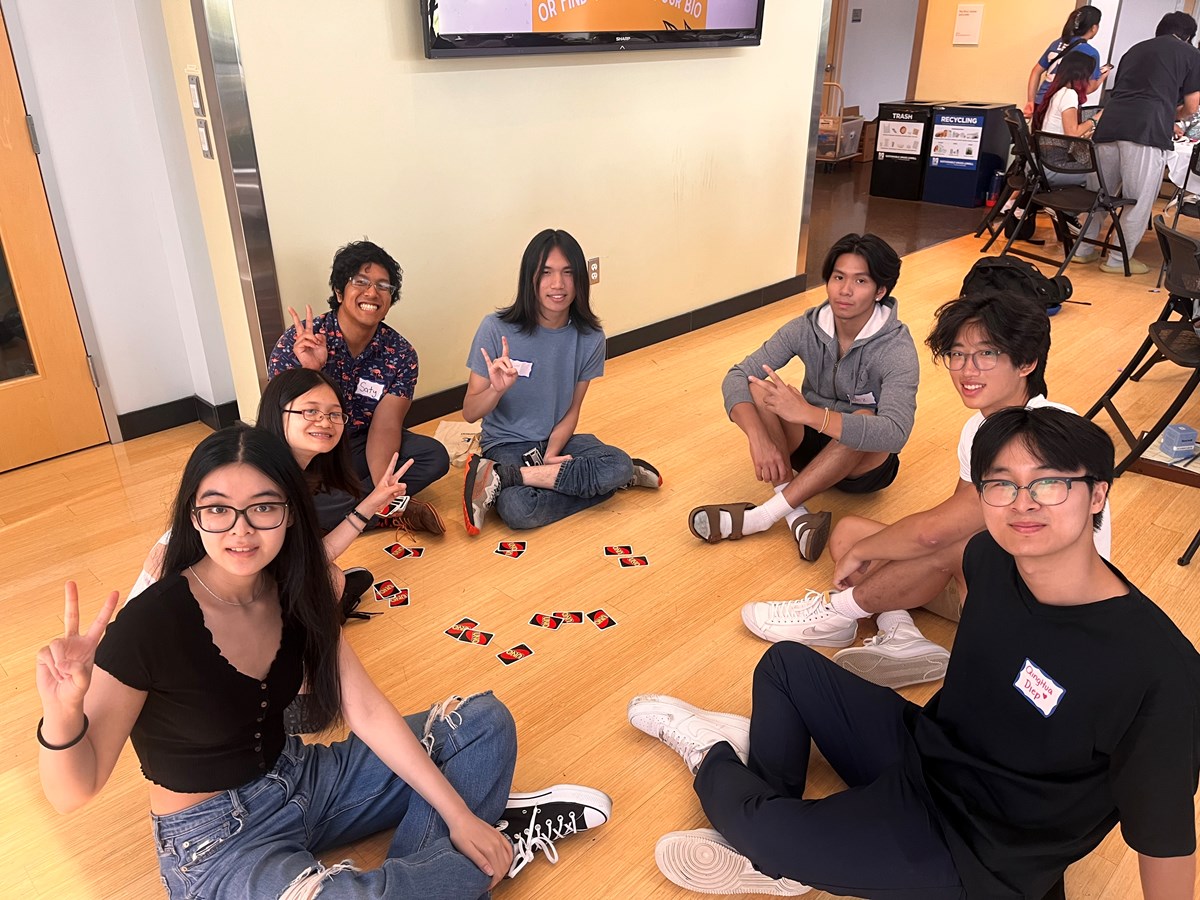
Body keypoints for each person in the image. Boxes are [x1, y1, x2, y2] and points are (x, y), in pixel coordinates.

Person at [631, 407, 1200, 899]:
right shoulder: (989, 560)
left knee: (765, 832)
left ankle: (714, 757)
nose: (1022, 503)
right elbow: (934, 549)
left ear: (1098, 491)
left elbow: (1165, 842)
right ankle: (774, 836)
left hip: (981, 847)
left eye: (1049, 483)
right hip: (926, 750)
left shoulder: (1158, 671)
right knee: (785, 664)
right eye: (1001, 484)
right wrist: (863, 557)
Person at [35, 425, 611, 898]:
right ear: (192, 516)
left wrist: (456, 815)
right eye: (217, 510)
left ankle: (453, 854)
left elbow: (365, 709)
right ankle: (476, 859)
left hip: (306, 782)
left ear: (290, 512)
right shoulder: (149, 623)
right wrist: (62, 713)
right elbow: (73, 791)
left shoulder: (297, 589)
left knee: (484, 724)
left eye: (262, 508)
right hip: (217, 844)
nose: (240, 531)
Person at [739, 290, 1112, 689]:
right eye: (957, 354)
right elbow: (956, 511)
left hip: (1044, 608)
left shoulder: (1043, 432)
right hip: (991, 584)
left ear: (1026, 363)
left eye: (986, 354)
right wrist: (877, 547)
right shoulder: (980, 428)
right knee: (851, 532)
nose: (968, 370)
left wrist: (872, 553)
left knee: (951, 544)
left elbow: (939, 532)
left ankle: (837, 613)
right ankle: (902, 635)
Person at [688, 233, 918, 562]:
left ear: (881, 291)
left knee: (863, 420)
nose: (845, 290)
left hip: (863, 466)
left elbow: (896, 432)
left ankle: (760, 518)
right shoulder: (807, 327)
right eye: (838, 277)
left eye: (861, 281)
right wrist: (759, 439)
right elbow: (738, 374)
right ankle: (797, 515)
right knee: (759, 387)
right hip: (808, 447)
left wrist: (811, 414)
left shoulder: (896, 348)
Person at [129, 368, 407, 613]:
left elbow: (308, 558)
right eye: (310, 411)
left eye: (334, 414)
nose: (325, 421)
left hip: (230, 583)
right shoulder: (254, 472)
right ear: (278, 412)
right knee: (329, 581)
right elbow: (165, 556)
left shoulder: (295, 475)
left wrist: (372, 502)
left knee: (331, 578)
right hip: (183, 605)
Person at [460, 228, 661, 533]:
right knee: (519, 510)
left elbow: (572, 409)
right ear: (530, 278)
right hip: (507, 444)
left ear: (580, 279)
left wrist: (552, 453)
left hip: (558, 439)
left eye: (568, 273)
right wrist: (495, 392)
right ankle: (600, 481)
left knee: (618, 463)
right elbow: (470, 412)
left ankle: (503, 476)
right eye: (546, 273)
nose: (558, 284)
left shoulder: (591, 337)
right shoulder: (495, 328)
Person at [268, 240, 450, 534]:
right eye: (360, 282)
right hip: (307, 444)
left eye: (383, 286)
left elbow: (386, 425)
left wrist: (383, 487)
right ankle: (383, 510)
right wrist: (312, 371)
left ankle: (369, 507)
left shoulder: (400, 353)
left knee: (434, 457)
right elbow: (280, 421)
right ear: (340, 292)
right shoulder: (301, 340)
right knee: (282, 495)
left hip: (358, 444)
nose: (372, 293)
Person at [1077, 12, 1200, 275]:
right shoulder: (1190, 54)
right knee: (1137, 199)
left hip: (1109, 125)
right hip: (1145, 131)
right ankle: (1117, 260)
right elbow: (1191, 106)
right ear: (1188, 36)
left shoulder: (1134, 50)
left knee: (1099, 194)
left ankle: (1081, 251)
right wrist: (1171, 116)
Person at [1024, 5, 1109, 118]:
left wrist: (1030, 101)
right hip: (1063, 108)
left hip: (1041, 103)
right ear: (1094, 28)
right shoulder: (1090, 52)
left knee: (1038, 135)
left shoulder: (1056, 43)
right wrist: (1103, 76)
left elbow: (1036, 71)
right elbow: (1088, 88)